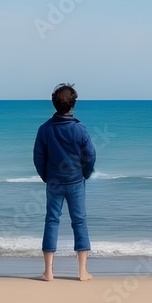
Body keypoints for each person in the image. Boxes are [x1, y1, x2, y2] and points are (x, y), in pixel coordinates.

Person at [32, 83, 96, 281]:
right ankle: (82, 271)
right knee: (80, 221)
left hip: (54, 182)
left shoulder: (45, 129)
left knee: (52, 221)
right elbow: (90, 155)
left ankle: (48, 272)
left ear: (54, 104)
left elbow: (38, 157)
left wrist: (45, 176)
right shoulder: (79, 129)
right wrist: (84, 173)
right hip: (76, 181)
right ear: (73, 105)